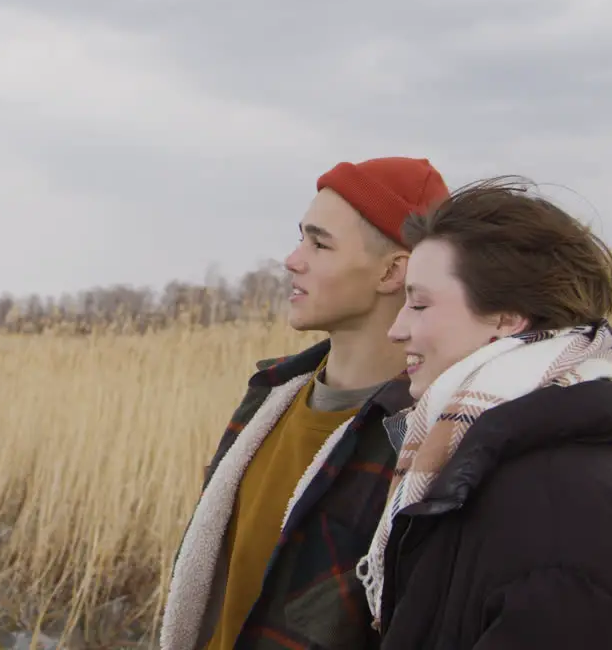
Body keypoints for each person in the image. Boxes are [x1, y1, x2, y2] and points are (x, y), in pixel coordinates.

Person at [356, 177, 612, 649]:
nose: (397, 330)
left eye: (420, 303)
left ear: (507, 318)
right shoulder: (487, 473)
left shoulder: (551, 513)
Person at [159, 157, 451, 650]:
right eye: (301, 239)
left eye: (319, 243)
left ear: (392, 271)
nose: (293, 260)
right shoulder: (269, 398)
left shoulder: (425, 440)